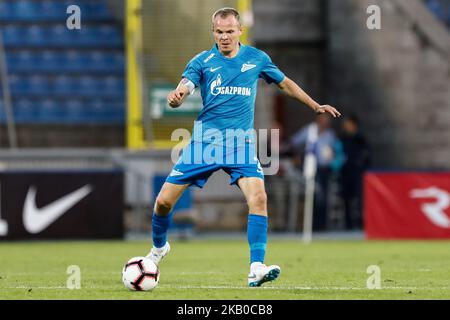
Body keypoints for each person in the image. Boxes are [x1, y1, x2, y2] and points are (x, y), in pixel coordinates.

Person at [146, 7, 341, 287]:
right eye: (219, 32)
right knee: (164, 202)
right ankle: (158, 249)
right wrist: (176, 97)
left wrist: (315, 105)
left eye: (229, 31)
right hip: (205, 144)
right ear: (213, 32)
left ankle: (256, 266)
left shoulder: (256, 58)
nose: (224, 37)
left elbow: (285, 84)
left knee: (259, 198)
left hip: (240, 144)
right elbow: (185, 86)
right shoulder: (202, 61)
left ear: (240, 31)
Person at [289, 114, 345, 231]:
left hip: (325, 170)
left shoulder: (330, 134)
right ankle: (313, 225)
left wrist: (334, 161)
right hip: (312, 169)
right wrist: (297, 155)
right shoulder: (310, 130)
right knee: (314, 195)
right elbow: (294, 141)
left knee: (323, 197)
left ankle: (322, 225)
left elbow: (337, 151)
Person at [339, 114, 370, 230]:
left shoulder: (360, 139)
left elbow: (366, 156)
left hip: (357, 173)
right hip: (345, 172)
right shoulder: (343, 138)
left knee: (359, 199)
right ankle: (348, 224)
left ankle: (361, 223)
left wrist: (359, 165)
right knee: (346, 198)